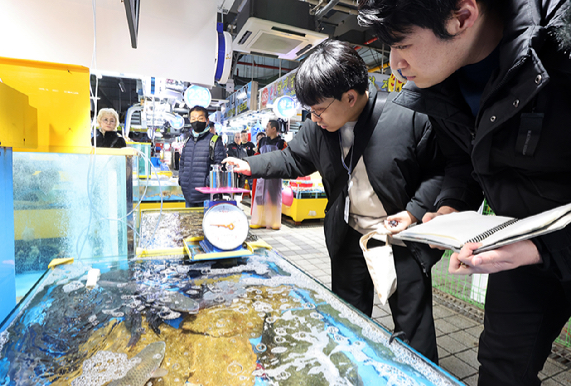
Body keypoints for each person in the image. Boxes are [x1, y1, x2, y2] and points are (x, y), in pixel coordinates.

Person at [358, 1, 571, 384]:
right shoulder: (443, 82)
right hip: (519, 250)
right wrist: (451, 205)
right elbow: (464, 159)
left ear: (462, 16)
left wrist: (543, 248)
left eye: (402, 44)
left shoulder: (561, 43)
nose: (394, 64)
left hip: (544, 242)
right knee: (500, 369)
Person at [223, 40, 445, 362]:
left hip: (401, 238)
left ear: (350, 97)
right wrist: (251, 166)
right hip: (349, 235)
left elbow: (438, 172)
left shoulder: (408, 117)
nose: (314, 118)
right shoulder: (317, 131)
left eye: (318, 109)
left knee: (414, 328)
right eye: (310, 110)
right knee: (347, 320)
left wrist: (413, 212)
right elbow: (293, 160)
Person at [178, 105, 226, 207]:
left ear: (207, 121)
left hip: (206, 196)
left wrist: (207, 182)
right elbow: (182, 163)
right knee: (189, 222)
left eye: (200, 118)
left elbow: (220, 164)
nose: (196, 121)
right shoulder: (188, 141)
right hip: (188, 195)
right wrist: (182, 180)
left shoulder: (214, 141)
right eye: (193, 119)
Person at [248, 120, 288, 230]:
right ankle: (258, 220)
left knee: (274, 197)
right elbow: (257, 154)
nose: (266, 128)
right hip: (261, 173)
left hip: (274, 174)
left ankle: (274, 221)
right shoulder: (262, 141)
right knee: (259, 197)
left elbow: (285, 158)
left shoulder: (281, 143)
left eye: (267, 126)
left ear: (274, 129)